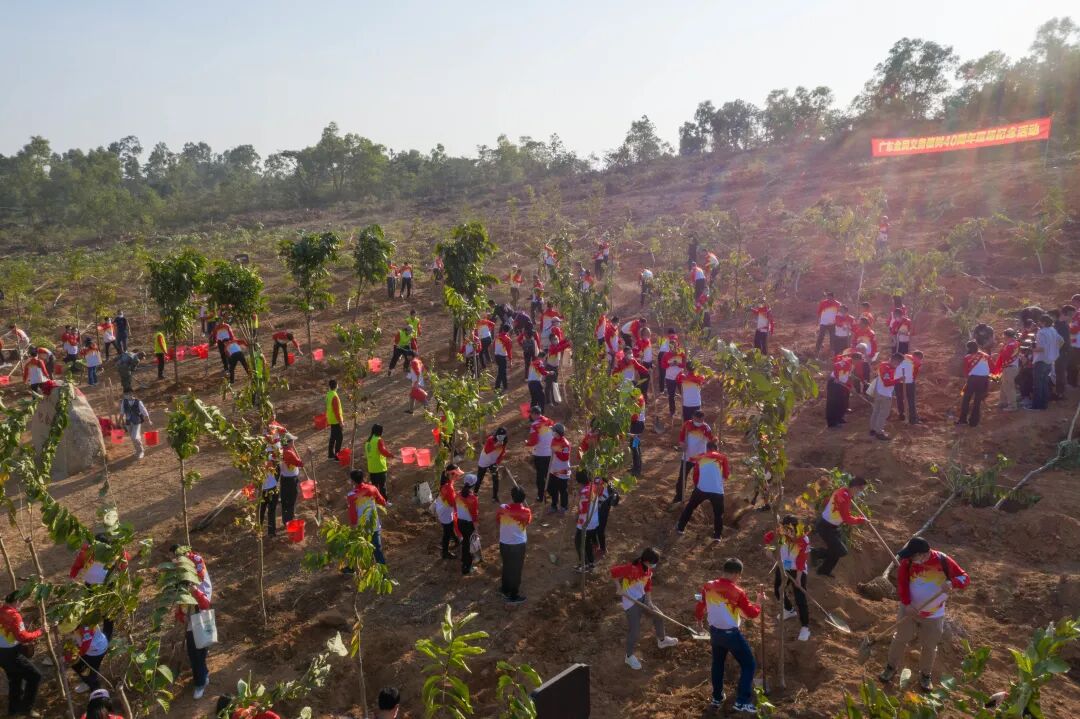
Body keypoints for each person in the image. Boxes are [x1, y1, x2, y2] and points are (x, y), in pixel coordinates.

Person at [880, 537, 970, 691]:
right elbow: (902, 584)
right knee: (900, 639)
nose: (909, 558)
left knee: (929, 646)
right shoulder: (907, 563)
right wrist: (907, 604)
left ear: (924, 554)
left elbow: (965, 578)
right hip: (909, 610)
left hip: (934, 614)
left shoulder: (943, 561)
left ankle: (925, 675)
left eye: (913, 556)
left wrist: (952, 583)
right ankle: (890, 667)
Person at [695, 558, 763, 713]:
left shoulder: (708, 586)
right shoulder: (737, 592)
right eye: (739, 576)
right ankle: (742, 701)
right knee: (749, 664)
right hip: (731, 635)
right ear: (736, 574)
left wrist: (699, 623)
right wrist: (759, 602)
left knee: (717, 664)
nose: (739, 578)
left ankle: (717, 698)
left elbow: (700, 606)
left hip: (715, 633)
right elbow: (752, 614)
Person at [611, 547, 679, 670]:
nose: (654, 565)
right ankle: (629, 656)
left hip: (642, 598)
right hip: (631, 602)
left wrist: (649, 602)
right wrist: (618, 588)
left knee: (659, 615)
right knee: (635, 631)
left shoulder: (647, 570)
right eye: (654, 563)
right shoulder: (631, 569)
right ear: (647, 561)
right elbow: (613, 572)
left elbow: (647, 586)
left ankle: (662, 640)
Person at [763, 516, 811, 642]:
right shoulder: (782, 531)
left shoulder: (803, 539)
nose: (787, 533)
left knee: (800, 596)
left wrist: (799, 578)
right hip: (784, 565)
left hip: (797, 569)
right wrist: (768, 549)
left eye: (789, 530)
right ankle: (789, 610)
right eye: (784, 529)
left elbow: (801, 560)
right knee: (778, 590)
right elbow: (768, 536)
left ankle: (805, 627)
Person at [812, 476, 867, 577]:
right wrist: (860, 520)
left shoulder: (843, 491)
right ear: (855, 487)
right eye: (861, 489)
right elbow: (847, 518)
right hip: (826, 526)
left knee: (836, 550)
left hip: (833, 526)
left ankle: (824, 570)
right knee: (841, 551)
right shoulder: (844, 496)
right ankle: (816, 553)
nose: (861, 492)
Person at [0, 590, 43, 717]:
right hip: (11, 654)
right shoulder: (14, 615)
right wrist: (40, 632)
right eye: (21, 602)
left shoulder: (1, 610)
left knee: (15, 679)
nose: (22, 605)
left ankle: (13, 710)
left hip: (1, 653)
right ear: (16, 601)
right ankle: (26, 708)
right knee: (35, 676)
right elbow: (23, 637)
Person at [676, 441, 727, 541]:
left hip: (701, 488)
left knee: (690, 507)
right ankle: (717, 536)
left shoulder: (701, 457)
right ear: (716, 449)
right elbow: (726, 474)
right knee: (718, 514)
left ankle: (680, 528)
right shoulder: (723, 458)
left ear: (707, 449)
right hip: (717, 491)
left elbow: (695, 475)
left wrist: (697, 486)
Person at [175, 574, 212, 699]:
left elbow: (206, 604)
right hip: (191, 630)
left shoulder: (196, 591)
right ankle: (201, 679)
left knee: (201, 654)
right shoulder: (181, 598)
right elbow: (179, 613)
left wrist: (195, 592)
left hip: (203, 625)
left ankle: (201, 681)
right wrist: (182, 617)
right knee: (195, 656)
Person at [497, 486, 532, 604]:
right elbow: (527, 522)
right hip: (518, 545)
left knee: (507, 566)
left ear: (512, 496)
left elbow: (498, 520)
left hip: (504, 543)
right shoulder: (526, 511)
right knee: (516, 570)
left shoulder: (502, 508)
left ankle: (505, 589)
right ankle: (513, 596)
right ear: (523, 498)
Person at [348, 469, 387, 565]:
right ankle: (382, 571)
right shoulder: (372, 488)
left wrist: (354, 524)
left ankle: (353, 568)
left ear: (352, 481)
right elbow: (382, 502)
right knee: (377, 548)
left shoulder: (351, 496)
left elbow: (353, 513)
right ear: (363, 478)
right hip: (374, 523)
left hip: (362, 526)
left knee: (359, 547)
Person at [675, 410, 714, 503]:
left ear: (703, 419)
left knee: (699, 479)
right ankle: (679, 498)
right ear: (693, 417)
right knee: (682, 478)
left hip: (700, 459)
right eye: (696, 420)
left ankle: (696, 499)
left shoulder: (706, 428)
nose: (698, 422)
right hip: (687, 457)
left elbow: (710, 440)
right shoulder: (687, 424)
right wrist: (682, 444)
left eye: (700, 421)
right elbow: (681, 438)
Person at [957, 341, 991, 426]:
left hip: (973, 379)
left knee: (966, 399)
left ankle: (962, 420)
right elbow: (992, 367)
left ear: (968, 348)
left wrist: (968, 379)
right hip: (984, 379)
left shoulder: (968, 357)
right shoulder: (986, 356)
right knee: (977, 401)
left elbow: (965, 371)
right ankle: (974, 422)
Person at [1032, 315, 1063, 410]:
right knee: (1044, 383)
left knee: (1038, 384)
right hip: (1050, 360)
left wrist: (1032, 349)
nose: (1039, 323)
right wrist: (1054, 350)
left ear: (1044, 322)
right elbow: (1061, 341)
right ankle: (1044, 404)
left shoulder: (1041, 332)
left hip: (1041, 360)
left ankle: (1037, 406)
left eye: (1040, 322)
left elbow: (1041, 348)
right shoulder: (1053, 330)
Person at [869, 353, 901, 441]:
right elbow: (887, 383)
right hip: (884, 393)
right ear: (895, 361)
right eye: (898, 363)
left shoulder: (885, 365)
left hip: (879, 392)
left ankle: (873, 429)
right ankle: (879, 432)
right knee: (883, 413)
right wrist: (898, 380)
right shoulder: (886, 368)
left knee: (876, 411)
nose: (898, 365)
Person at [574, 470, 601, 572]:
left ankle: (584, 564)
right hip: (593, 520)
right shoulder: (593, 486)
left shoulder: (585, 492)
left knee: (579, 543)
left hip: (585, 522)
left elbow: (583, 509)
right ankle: (591, 563)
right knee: (587, 543)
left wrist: (577, 514)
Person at [68, 624, 108, 692]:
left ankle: (95, 689)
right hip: (96, 647)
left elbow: (86, 644)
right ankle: (89, 682)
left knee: (87, 669)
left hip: (95, 650)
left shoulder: (85, 625)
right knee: (89, 667)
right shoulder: (83, 619)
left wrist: (78, 653)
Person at [435, 465, 463, 559]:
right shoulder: (448, 487)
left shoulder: (447, 482)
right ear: (450, 474)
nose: (458, 477)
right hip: (445, 512)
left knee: (449, 527)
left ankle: (456, 540)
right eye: (456, 475)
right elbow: (452, 503)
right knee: (447, 532)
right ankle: (445, 552)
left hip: (442, 507)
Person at [277, 434, 303, 527]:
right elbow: (300, 463)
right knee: (291, 500)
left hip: (284, 478)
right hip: (291, 479)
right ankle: (289, 521)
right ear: (288, 442)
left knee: (285, 499)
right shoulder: (289, 453)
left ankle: (286, 519)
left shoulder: (280, 450)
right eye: (292, 441)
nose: (294, 442)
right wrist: (308, 453)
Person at [456, 474, 480, 575]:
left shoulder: (458, 494)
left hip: (460, 523)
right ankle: (467, 567)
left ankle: (464, 560)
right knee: (469, 544)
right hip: (468, 524)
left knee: (465, 542)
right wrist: (476, 529)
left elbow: (456, 509)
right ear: (473, 484)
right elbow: (474, 516)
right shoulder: (473, 498)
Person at [476, 428, 508, 502]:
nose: (501, 437)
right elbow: (487, 450)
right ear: (496, 434)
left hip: (493, 462)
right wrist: (496, 445)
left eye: (503, 435)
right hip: (484, 461)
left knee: (495, 479)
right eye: (499, 435)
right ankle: (475, 493)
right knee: (480, 478)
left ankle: (495, 497)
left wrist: (496, 463)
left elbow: (502, 454)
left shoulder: (504, 442)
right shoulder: (490, 439)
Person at [993, 329, 1021, 411]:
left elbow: (1005, 356)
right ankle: (1003, 402)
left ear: (1007, 336)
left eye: (1004, 336)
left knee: (1009, 387)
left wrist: (999, 352)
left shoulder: (1010, 345)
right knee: (1004, 385)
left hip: (1009, 368)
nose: (1003, 337)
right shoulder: (1015, 343)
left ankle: (1012, 405)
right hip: (1012, 367)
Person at [826, 351, 856, 428]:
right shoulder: (846, 363)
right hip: (835, 384)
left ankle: (839, 418)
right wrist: (837, 377)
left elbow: (848, 376)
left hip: (841, 384)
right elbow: (836, 365)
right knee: (833, 403)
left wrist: (849, 386)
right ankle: (832, 423)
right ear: (855, 359)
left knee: (841, 402)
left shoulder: (852, 365)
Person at [365, 424, 394, 503]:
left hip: (371, 468)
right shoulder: (378, 440)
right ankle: (385, 502)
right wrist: (391, 455)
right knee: (382, 487)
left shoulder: (368, 442)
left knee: (375, 487)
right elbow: (383, 451)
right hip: (380, 467)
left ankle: (376, 502)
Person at [120, 390, 152, 460]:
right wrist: (119, 422)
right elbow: (122, 412)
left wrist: (148, 420)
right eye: (125, 394)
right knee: (132, 438)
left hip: (137, 422)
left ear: (132, 394)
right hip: (128, 422)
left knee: (135, 437)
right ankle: (137, 450)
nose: (126, 395)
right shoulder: (124, 402)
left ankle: (141, 451)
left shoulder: (138, 402)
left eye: (127, 394)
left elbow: (144, 412)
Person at [547, 424, 572, 513]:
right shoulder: (553, 440)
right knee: (552, 488)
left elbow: (565, 457)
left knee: (562, 489)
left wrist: (556, 452)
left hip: (562, 469)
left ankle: (564, 507)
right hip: (554, 469)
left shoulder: (565, 444)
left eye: (554, 431)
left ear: (558, 433)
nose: (552, 433)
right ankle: (554, 505)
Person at [259, 457, 279, 538]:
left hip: (268, 489)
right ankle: (265, 531)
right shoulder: (270, 460)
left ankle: (268, 531)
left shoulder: (270, 460)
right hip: (267, 489)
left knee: (265, 511)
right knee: (265, 511)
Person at [325, 379, 344, 460]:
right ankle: (337, 456)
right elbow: (336, 411)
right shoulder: (334, 396)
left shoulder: (329, 394)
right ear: (336, 386)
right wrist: (341, 422)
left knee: (333, 437)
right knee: (339, 438)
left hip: (331, 419)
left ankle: (330, 455)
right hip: (336, 420)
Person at [493, 325, 513, 393]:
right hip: (502, 357)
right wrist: (510, 361)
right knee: (501, 372)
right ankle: (497, 387)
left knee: (503, 372)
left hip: (497, 356)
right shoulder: (508, 339)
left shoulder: (497, 336)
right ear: (508, 330)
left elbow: (494, 345)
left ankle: (505, 386)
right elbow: (509, 351)